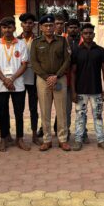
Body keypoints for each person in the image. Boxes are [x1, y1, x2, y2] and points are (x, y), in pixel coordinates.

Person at [30, 14, 71, 151]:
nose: (48, 28)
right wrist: (46, 77)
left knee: (62, 110)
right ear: (41, 27)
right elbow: (34, 62)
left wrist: (56, 76)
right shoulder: (36, 42)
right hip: (43, 80)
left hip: (60, 79)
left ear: (54, 26)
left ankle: (62, 139)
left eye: (51, 25)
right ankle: (47, 139)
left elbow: (67, 60)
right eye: (46, 26)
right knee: (45, 110)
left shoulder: (62, 41)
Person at [0, 18, 30, 152]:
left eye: (9, 27)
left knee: (19, 112)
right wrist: (5, 80)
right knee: (2, 112)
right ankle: (3, 138)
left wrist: (12, 79)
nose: (7, 30)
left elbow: (24, 64)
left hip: (17, 84)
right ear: (0, 29)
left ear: (14, 28)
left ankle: (20, 138)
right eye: (4, 27)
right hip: (1, 84)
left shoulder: (21, 44)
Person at [70, 22, 104, 151]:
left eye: (90, 33)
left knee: (98, 116)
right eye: (85, 33)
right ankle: (78, 140)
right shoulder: (76, 51)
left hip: (96, 90)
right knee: (80, 116)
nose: (88, 35)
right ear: (81, 34)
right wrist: (73, 91)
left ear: (94, 34)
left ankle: (101, 140)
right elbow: (73, 72)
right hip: (80, 91)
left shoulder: (100, 50)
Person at [19, 13, 40, 145]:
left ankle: (34, 134)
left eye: (30, 23)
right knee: (19, 108)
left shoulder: (39, 39)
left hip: (34, 77)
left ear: (34, 25)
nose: (27, 25)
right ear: (21, 24)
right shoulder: (15, 40)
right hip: (19, 78)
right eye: (25, 23)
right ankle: (19, 136)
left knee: (33, 108)